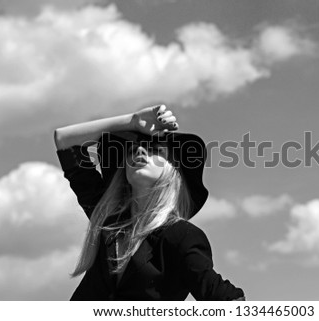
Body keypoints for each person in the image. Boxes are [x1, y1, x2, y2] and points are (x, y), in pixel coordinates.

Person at [54, 104, 245, 301]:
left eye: (154, 149)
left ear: (174, 170)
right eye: (132, 150)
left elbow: (228, 301)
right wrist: (133, 121)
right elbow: (64, 140)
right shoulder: (108, 217)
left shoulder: (181, 236)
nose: (139, 152)